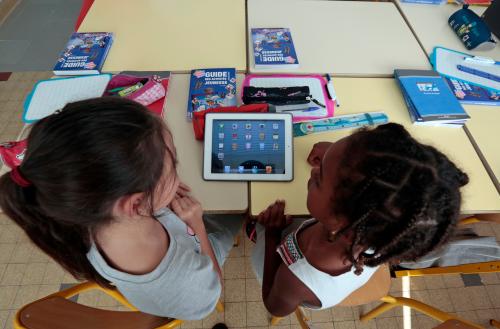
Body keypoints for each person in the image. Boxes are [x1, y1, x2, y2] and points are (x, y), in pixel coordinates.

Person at [0, 97, 242, 320]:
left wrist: (158, 192)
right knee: (241, 214)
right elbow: (215, 285)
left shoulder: (88, 218)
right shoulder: (186, 281)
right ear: (134, 203)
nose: (177, 175)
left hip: (172, 232)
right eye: (173, 167)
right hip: (197, 251)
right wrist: (196, 223)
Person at [249, 123, 469, 317]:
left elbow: (274, 306)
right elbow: (380, 181)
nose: (314, 171)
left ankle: (256, 232)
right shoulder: (380, 228)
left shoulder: (293, 278)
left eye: (321, 177)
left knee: (258, 222)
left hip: (280, 264)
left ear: (343, 223)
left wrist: (271, 234)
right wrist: (337, 156)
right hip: (308, 244)